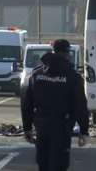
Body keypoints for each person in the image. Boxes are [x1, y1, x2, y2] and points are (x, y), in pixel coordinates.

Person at [21, 39, 89, 171]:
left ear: (52, 51)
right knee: (59, 164)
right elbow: (80, 105)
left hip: (41, 125)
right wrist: (84, 131)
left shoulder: (37, 74)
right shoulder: (72, 76)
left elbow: (26, 103)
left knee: (43, 162)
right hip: (62, 127)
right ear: (67, 53)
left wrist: (27, 128)